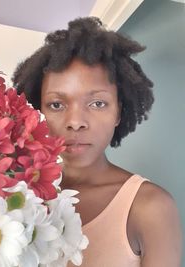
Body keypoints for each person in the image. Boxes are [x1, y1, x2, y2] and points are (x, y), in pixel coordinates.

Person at [12, 17, 182, 267]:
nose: (75, 122)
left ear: (119, 113)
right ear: (38, 112)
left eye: (97, 103)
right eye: (57, 104)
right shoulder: (17, 195)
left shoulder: (149, 208)